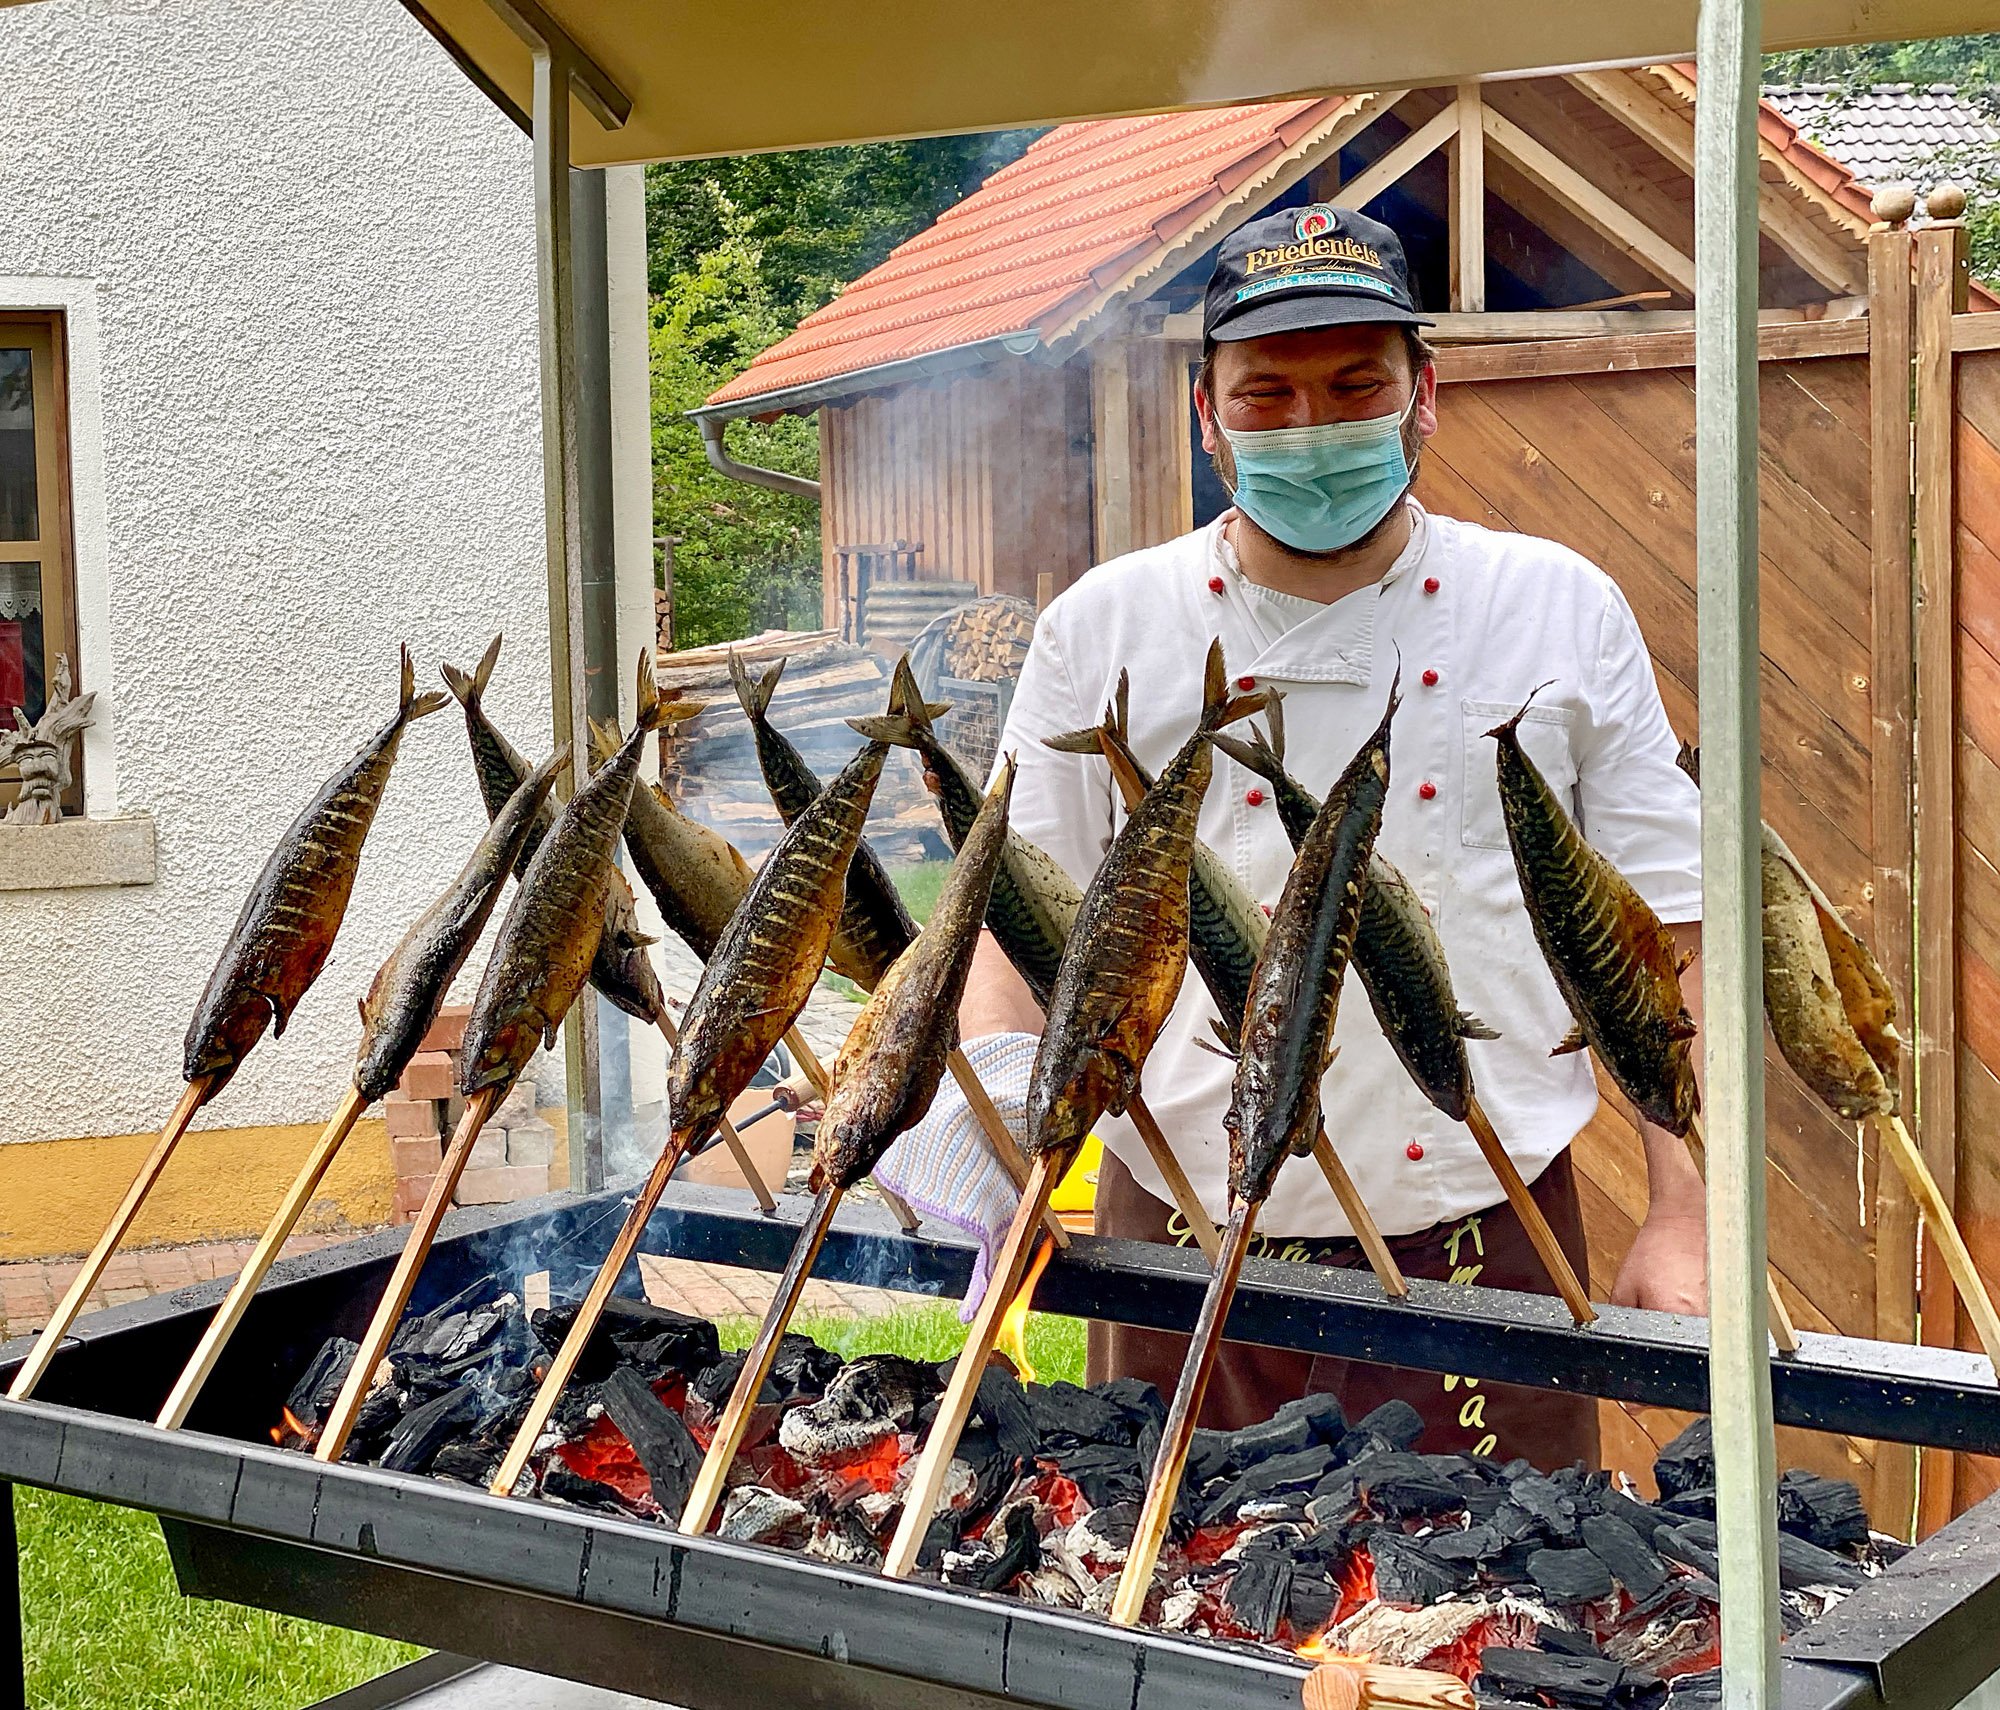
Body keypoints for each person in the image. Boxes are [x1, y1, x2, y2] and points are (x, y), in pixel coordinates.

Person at [919, 202, 1709, 1470]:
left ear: (1423, 394)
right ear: (1207, 414)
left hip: (1487, 1236)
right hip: (1174, 1236)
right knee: (1171, 1619)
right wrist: (1011, 1133)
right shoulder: (1101, 627)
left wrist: (1686, 1211)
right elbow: (1013, 929)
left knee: (1498, 1631)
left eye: (1354, 386)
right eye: (1266, 394)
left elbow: (1670, 941)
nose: (1312, 428)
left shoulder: (1555, 606)